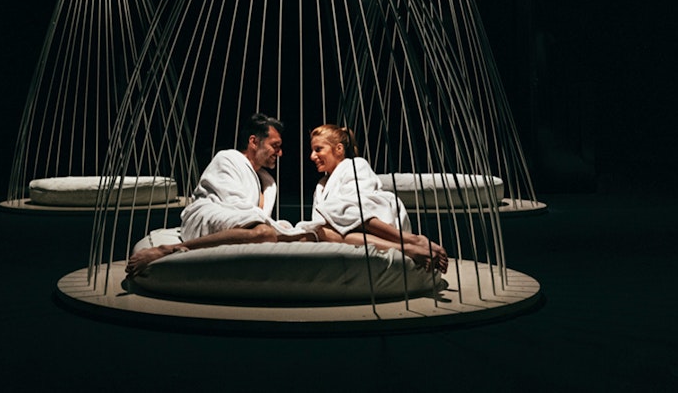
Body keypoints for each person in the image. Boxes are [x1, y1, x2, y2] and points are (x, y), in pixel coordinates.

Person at [125, 113, 315, 276]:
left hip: (237, 222)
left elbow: (255, 215)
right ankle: (166, 251)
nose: (279, 153)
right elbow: (231, 202)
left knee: (304, 234)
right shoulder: (228, 158)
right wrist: (270, 226)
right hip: (208, 212)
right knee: (265, 232)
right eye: (275, 146)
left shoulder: (266, 180)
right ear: (254, 141)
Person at [301, 124, 449, 273]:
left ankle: (411, 239)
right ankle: (406, 248)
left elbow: (360, 203)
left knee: (339, 208)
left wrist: (331, 211)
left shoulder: (356, 164)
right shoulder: (321, 185)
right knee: (319, 230)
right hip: (345, 230)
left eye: (318, 149)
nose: (312, 156)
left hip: (371, 221)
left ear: (339, 149)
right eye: (312, 151)